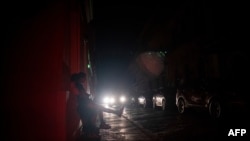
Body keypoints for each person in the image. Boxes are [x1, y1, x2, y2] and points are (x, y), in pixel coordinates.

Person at [72, 72, 124, 138]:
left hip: (84, 104)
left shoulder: (78, 85)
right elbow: (81, 95)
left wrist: (86, 95)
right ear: (81, 78)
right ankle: (116, 113)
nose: (85, 80)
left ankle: (114, 114)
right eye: (84, 78)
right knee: (99, 109)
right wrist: (86, 96)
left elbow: (81, 95)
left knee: (98, 109)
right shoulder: (77, 85)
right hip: (84, 104)